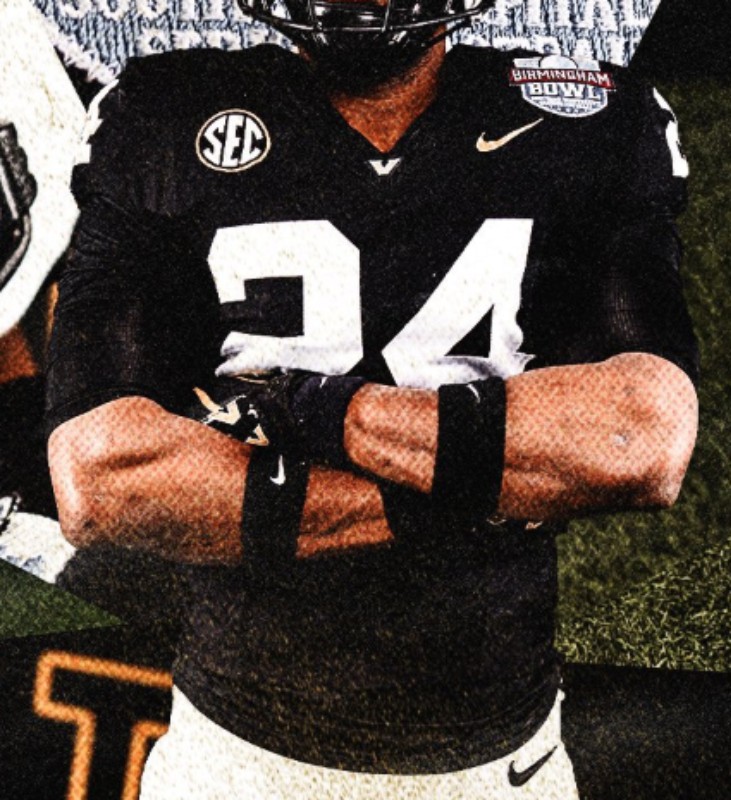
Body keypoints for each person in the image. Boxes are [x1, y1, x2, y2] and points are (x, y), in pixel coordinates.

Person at [45, 0, 699, 795]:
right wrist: (487, 482)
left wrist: (315, 411)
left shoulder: (586, 119)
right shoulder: (163, 115)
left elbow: (640, 437)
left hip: (494, 764)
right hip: (234, 760)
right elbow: (101, 477)